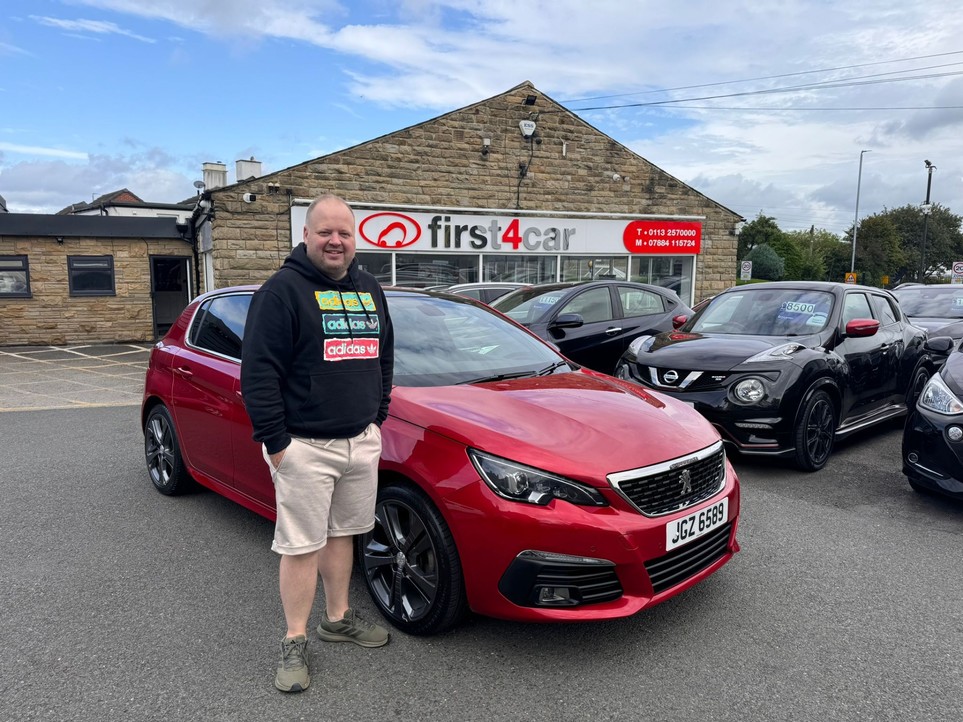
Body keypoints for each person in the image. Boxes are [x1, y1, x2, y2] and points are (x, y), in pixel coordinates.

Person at [240, 193, 394, 693]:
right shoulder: (281, 291)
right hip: (303, 446)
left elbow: (384, 355)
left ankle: (338, 618)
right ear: (305, 235)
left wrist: (377, 417)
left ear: (355, 239)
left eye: (344, 233)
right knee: (301, 545)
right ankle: (294, 639)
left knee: (342, 534)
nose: (335, 240)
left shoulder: (369, 287)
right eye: (325, 231)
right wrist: (277, 443)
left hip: (358, 442)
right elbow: (258, 373)